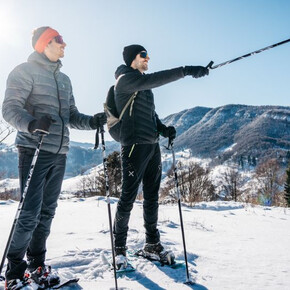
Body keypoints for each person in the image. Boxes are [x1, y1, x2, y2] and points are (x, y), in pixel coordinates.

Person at [2, 26, 106, 289]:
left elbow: (71, 115)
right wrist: (32, 122)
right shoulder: (24, 72)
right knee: (29, 213)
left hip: (60, 153)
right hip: (34, 149)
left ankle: (37, 266)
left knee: (47, 212)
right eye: (58, 40)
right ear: (43, 44)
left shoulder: (64, 79)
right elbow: (10, 108)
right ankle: (14, 273)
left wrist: (92, 121)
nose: (64, 45)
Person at [113, 44, 209, 268]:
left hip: (151, 146)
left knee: (152, 196)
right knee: (127, 197)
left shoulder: (144, 87)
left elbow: (150, 115)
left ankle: (152, 244)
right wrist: (185, 70)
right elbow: (156, 78)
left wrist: (163, 129)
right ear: (132, 59)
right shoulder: (125, 80)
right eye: (143, 54)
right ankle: (119, 250)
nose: (148, 58)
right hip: (133, 146)